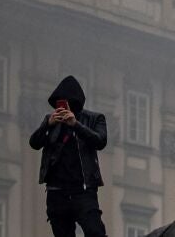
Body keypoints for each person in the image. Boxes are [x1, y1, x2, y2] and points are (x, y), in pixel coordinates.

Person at [28, 75, 109, 237]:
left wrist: (75, 125)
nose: (64, 107)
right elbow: (34, 143)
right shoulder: (52, 120)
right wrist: (47, 124)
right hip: (57, 192)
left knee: (95, 232)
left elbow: (100, 141)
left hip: (83, 191)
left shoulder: (94, 118)